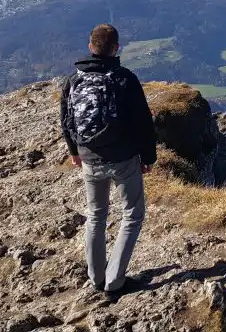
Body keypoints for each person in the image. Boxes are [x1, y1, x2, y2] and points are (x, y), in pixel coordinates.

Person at [60, 23, 157, 296]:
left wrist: (74, 151)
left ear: (90, 46)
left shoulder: (73, 80)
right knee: (132, 215)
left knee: (96, 215)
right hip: (123, 158)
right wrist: (148, 156)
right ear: (116, 48)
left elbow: (66, 119)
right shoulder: (124, 79)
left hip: (89, 158)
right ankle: (115, 281)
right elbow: (142, 122)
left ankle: (96, 278)